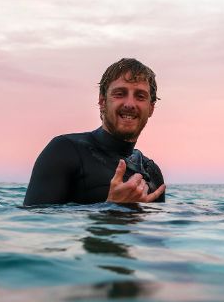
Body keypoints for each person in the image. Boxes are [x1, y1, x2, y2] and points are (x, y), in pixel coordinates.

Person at [24, 58, 166, 206]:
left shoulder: (152, 173)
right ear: (102, 102)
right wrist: (113, 206)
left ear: (151, 108)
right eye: (119, 94)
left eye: (140, 96)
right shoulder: (64, 150)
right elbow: (33, 223)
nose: (129, 104)